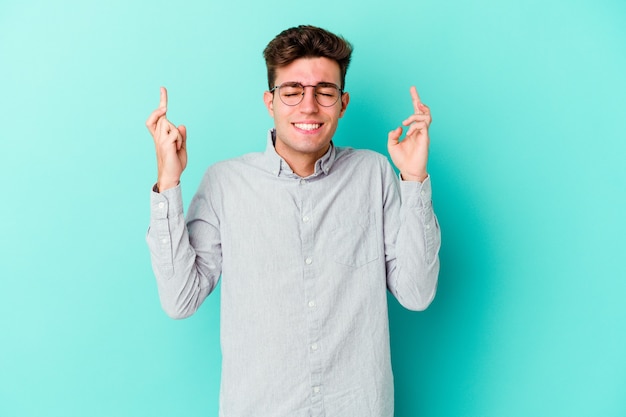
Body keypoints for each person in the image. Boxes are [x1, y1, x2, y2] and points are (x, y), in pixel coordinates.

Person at [146, 25, 440, 417]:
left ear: (343, 102)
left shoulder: (374, 173)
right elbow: (180, 300)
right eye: (292, 91)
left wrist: (415, 179)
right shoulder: (224, 183)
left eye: (324, 92)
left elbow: (417, 294)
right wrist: (168, 182)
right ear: (270, 101)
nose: (308, 106)